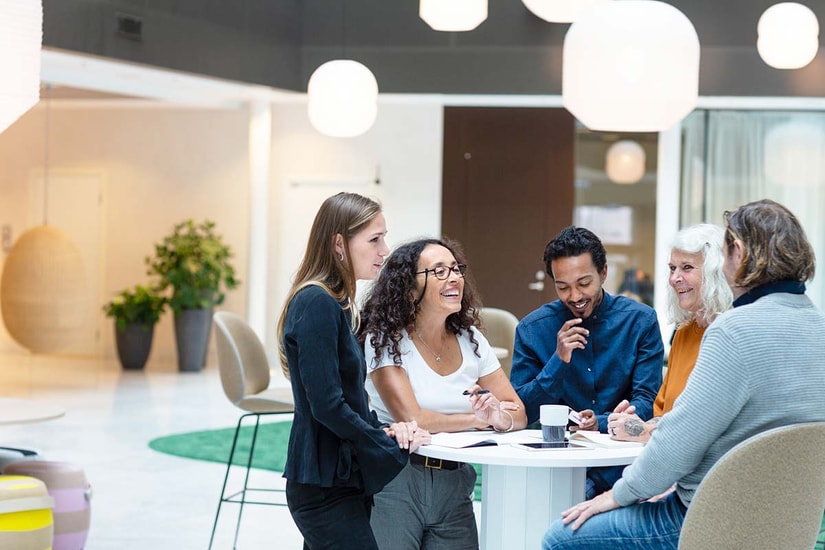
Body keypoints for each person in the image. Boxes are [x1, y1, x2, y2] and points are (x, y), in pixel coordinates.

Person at [543, 199, 825, 550]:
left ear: (738, 254)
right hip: (790, 524)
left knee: (561, 537)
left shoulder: (733, 331)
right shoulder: (818, 327)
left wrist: (617, 495)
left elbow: (677, 444)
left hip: (710, 517)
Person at [278, 192, 430, 550]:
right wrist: (384, 444)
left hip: (340, 478)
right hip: (324, 487)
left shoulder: (336, 304)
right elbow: (327, 406)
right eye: (374, 239)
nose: (385, 250)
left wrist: (383, 430)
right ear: (338, 244)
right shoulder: (316, 302)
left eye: (383, 238)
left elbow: (349, 399)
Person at [360, 238, 527, 550]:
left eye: (455, 269)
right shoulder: (384, 340)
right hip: (397, 478)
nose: (454, 278)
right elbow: (414, 418)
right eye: (438, 271)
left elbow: (518, 412)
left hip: (455, 479)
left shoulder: (471, 339)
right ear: (410, 289)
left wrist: (499, 417)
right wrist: (478, 420)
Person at [510, 226, 663, 496]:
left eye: (583, 283)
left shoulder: (640, 321)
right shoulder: (532, 329)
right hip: (557, 467)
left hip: (623, 465)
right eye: (563, 287)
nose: (575, 296)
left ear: (603, 273)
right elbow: (522, 412)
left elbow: (647, 401)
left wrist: (600, 423)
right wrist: (558, 361)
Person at [607, 224, 733, 443]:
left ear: (715, 273)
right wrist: (635, 424)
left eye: (686, 267)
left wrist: (643, 433)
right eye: (672, 268)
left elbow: (709, 426)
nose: (674, 278)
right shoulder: (683, 333)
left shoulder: (733, 336)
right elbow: (664, 415)